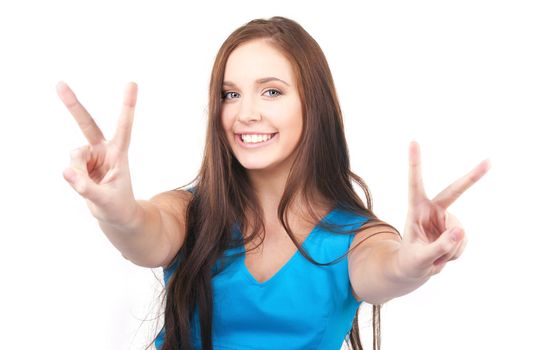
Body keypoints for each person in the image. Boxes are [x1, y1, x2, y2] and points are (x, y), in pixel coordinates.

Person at [57, 16, 490, 350]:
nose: (245, 113)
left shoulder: (356, 237)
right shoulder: (189, 213)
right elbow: (142, 235)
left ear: (313, 104)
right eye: (230, 94)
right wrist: (115, 208)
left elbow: (387, 270)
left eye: (271, 91)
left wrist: (415, 259)